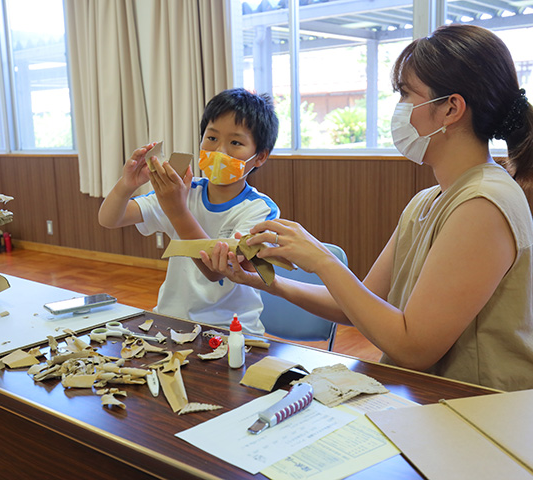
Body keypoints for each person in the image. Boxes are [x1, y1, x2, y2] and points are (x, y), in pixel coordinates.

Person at [201, 25, 533, 391]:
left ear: (451, 108)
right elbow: (357, 306)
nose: (400, 110)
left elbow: (414, 348)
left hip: (475, 415)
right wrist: (268, 282)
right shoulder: (427, 201)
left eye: (407, 95)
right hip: (428, 403)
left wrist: (322, 260)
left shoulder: (483, 203)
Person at [98, 88, 279, 334]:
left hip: (231, 331)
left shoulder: (259, 211)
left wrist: (177, 210)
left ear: (260, 157)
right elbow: (109, 218)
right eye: (212, 138)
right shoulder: (185, 190)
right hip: (172, 322)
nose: (219, 151)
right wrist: (126, 184)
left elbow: (217, 271)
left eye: (235, 142)